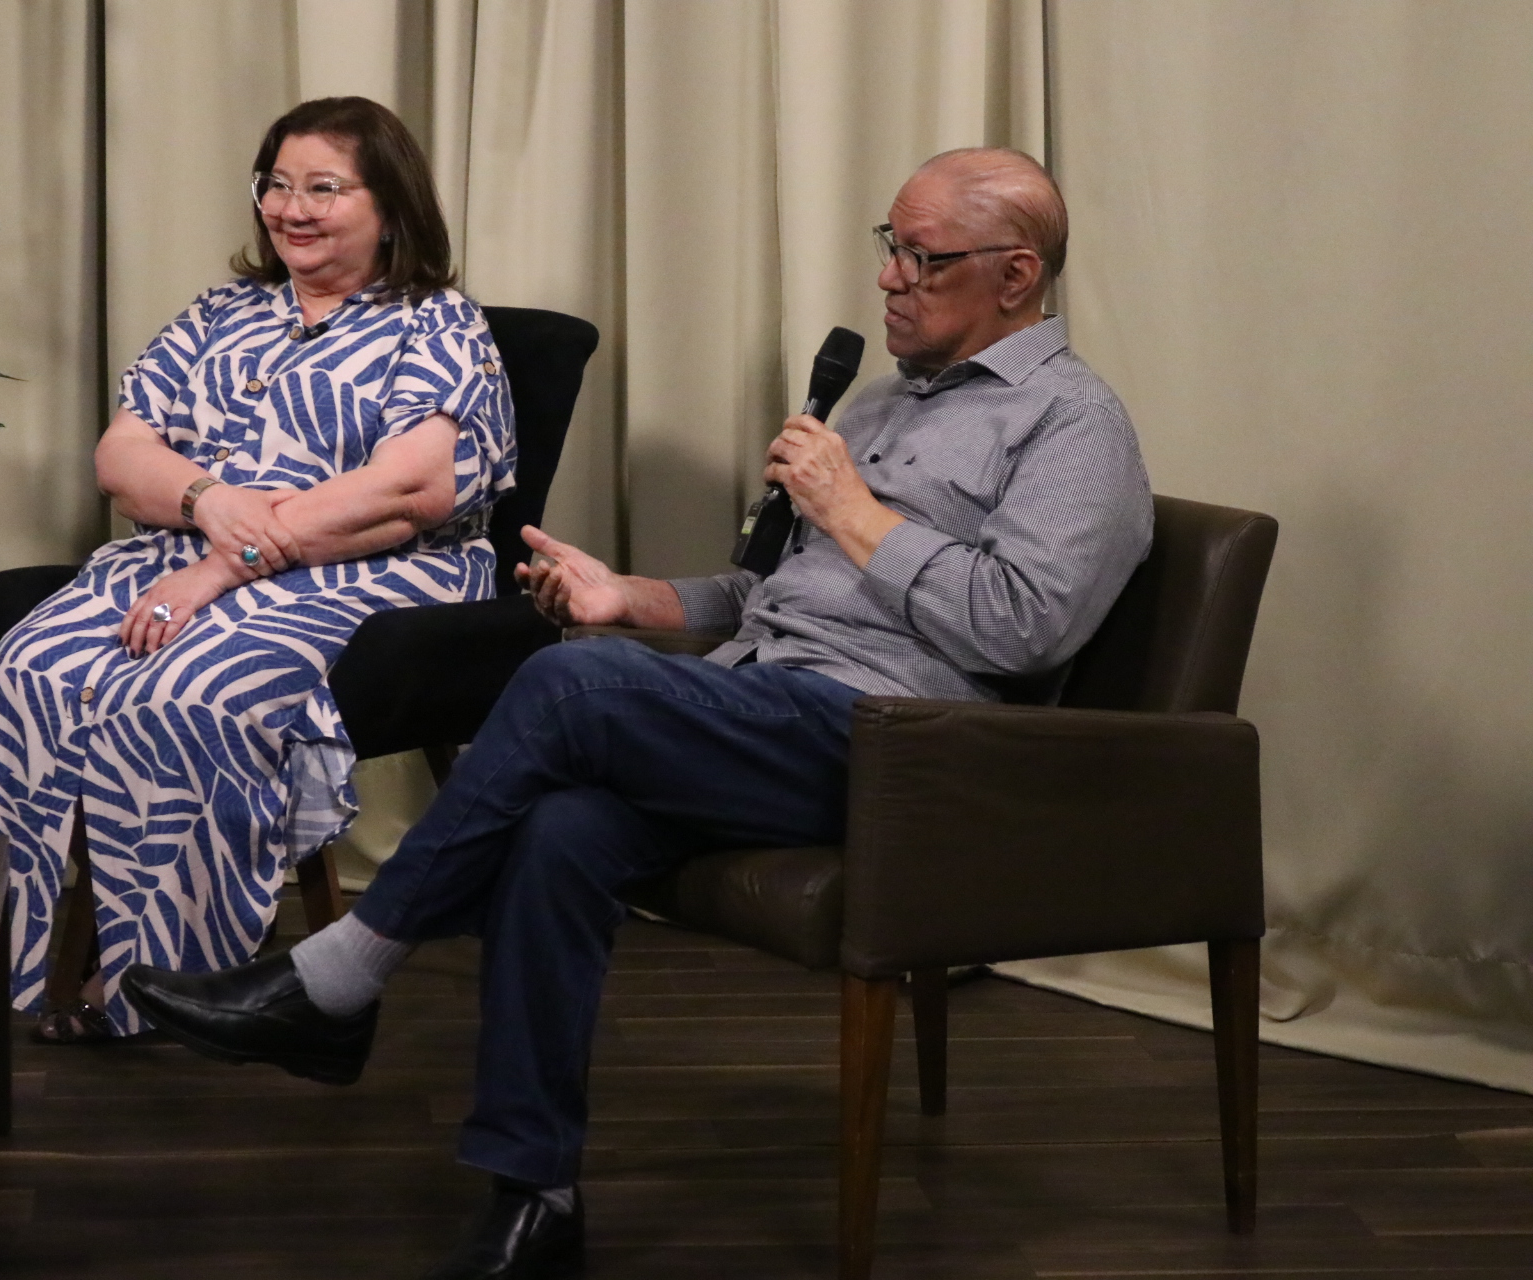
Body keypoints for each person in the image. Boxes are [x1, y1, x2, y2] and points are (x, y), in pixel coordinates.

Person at [122, 147, 1152, 1279]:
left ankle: (341, 977)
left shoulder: (1073, 423)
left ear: (1015, 275)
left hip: (910, 748)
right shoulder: (881, 403)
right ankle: (536, 1196)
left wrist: (853, 509)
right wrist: (631, 598)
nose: (890, 278)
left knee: (568, 683)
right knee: (563, 828)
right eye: (888, 247)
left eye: (923, 258)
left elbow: (1023, 628)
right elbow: (769, 597)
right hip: (769, 704)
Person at [0, 97, 514, 1043]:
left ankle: (168, 981)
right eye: (277, 184)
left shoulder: (436, 323)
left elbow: (409, 491)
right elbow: (122, 456)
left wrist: (226, 564)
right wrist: (205, 502)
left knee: (191, 691)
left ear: (390, 205)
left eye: (324, 188)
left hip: (379, 574)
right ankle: (17, 964)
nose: (291, 209)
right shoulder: (219, 313)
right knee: (38, 665)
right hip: (184, 550)